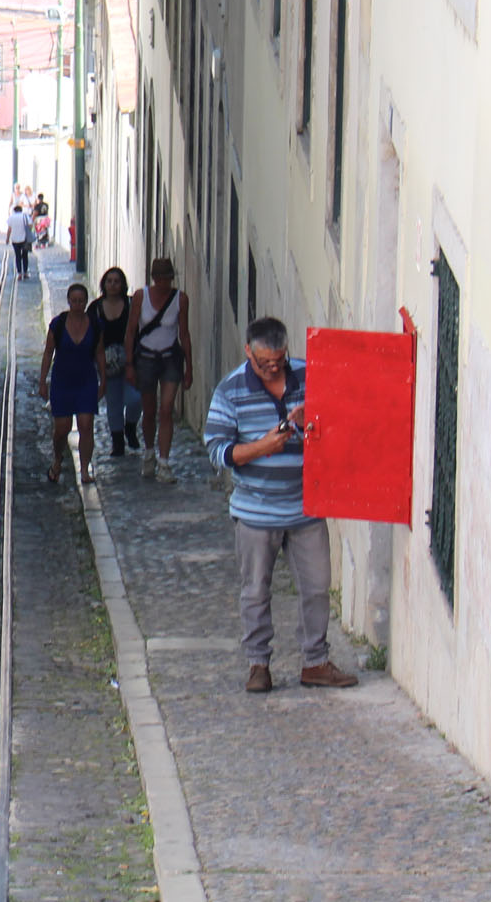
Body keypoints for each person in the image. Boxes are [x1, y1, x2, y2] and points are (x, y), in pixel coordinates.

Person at [203, 316, 359, 693]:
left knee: (318, 586)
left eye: (279, 360)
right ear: (248, 353)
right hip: (256, 512)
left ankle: (315, 662)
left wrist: (312, 422)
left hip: (307, 507)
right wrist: (261, 448)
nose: (273, 367)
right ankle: (259, 665)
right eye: (264, 363)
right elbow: (217, 450)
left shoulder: (310, 375)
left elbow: (342, 424)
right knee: (256, 589)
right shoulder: (231, 390)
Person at [128, 256, 194, 480]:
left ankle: (164, 462)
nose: (165, 283)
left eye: (169, 278)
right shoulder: (140, 297)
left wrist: (189, 367)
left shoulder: (180, 299)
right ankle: (149, 453)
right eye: (161, 279)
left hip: (170, 358)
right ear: (154, 278)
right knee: (149, 410)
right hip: (145, 358)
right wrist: (129, 363)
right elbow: (131, 331)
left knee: (166, 410)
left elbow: (184, 333)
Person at [37, 280, 103, 484]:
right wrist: (43, 381)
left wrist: (104, 381)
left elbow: (100, 354)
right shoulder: (57, 324)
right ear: (68, 301)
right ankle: (57, 459)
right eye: (73, 301)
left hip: (87, 380)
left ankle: (85, 469)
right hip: (62, 381)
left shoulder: (95, 325)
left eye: (81, 301)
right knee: (62, 429)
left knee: (86, 425)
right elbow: (48, 353)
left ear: (86, 302)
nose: (77, 304)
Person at [93, 266, 138, 456]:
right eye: (109, 281)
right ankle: (117, 441)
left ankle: (130, 426)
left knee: (135, 399)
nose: (112, 285)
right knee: (113, 403)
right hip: (107, 364)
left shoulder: (131, 304)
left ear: (122, 285)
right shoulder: (95, 308)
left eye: (116, 281)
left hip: (131, 361)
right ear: (104, 284)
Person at [5, 202, 34, 279]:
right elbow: (31, 225)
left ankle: (19, 273)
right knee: (25, 256)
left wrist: (7, 238)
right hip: (24, 239)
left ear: (14, 211)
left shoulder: (11, 217)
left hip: (15, 239)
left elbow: (9, 229)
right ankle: (25, 272)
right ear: (21, 210)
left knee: (17, 256)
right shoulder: (25, 216)